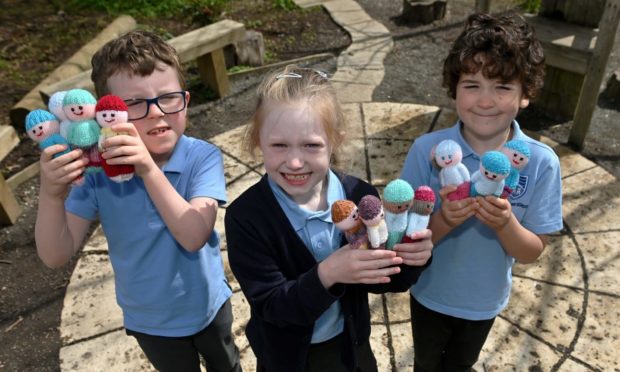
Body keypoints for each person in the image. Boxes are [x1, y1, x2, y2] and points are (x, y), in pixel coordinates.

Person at [34, 30, 241, 372]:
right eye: (133, 104)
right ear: (103, 115)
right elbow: (55, 255)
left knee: (226, 365)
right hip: (150, 322)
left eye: (168, 97)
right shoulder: (97, 172)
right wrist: (51, 194)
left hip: (208, 305)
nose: (157, 113)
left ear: (186, 99)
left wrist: (146, 168)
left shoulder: (201, 158)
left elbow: (193, 236)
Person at [224, 65, 434, 372]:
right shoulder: (247, 217)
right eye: (279, 145)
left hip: (351, 345)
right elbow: (271, 306)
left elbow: (387, 278)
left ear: (334, 141)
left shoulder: (360, 196)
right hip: (287, 357)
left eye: (311, 145)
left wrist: (415, 256)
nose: (295, 162)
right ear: (258, 141)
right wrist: (328, 274)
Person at [400, 12, 563, 371]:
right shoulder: (427, 150)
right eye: (471, 84)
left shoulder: (540, 163)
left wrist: (506, 225)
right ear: (454, 89)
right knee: (425, 364)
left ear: (526, 95)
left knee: (461, 364)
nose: (485, 100)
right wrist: (443, 219)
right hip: (429, 294)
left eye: (503, 86)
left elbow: (531, 251)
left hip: (485, 302)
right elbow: (404, 238)